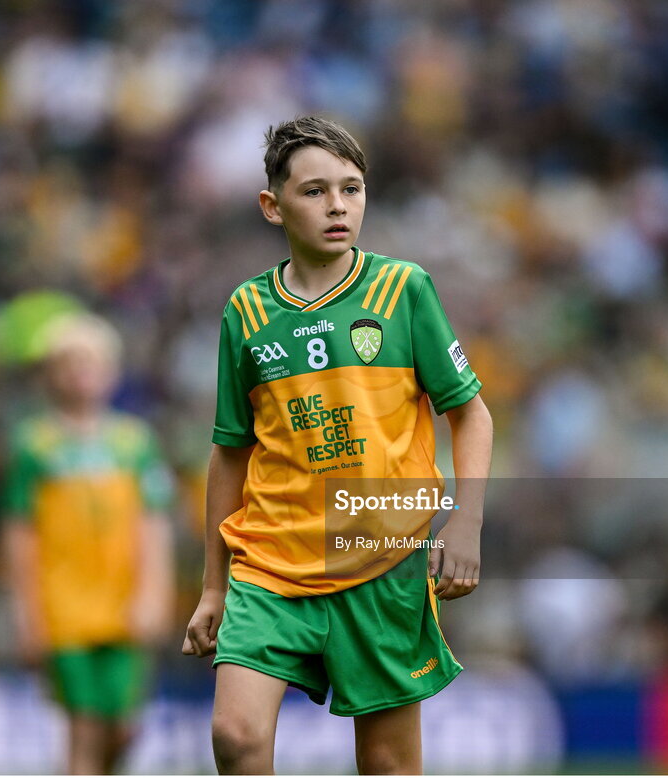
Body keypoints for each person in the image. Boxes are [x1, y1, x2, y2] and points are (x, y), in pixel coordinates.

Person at [182, 116, 493, 774]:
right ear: (273, 205)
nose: (337, 206)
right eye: (315, 191)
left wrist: (465, 523)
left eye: (350, 190)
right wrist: (214, 587)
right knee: (234, 737)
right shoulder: (246, 311)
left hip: (380, 562)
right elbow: (229, 452)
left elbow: (470, 413)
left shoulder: (402, 290)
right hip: (271, 563)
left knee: (386, 764)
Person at [1, 313, 175, 775]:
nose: (81, 372)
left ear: (112, 371)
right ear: (50, 375)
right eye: (69, 362)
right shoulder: (34, 446)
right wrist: (27, 613)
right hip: (65, 610)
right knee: (84, 726)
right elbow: (20, 534)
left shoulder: (134, 443)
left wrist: (154, 593)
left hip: (123, 605)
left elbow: (153, 525)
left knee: (125, 728)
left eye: (91, 361)